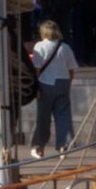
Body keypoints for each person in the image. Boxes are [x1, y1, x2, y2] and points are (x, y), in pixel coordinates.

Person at [28, 20, 77, 159]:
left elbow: (37, 69)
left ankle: (39, 147)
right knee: (63, 116)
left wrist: (36, 88)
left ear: (43, 32)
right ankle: (63, 145)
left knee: (43, 117)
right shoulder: (65, 47)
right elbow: (72, 69)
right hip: (63, 82)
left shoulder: (40, 46)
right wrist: (68, 83)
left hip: (45, 83)